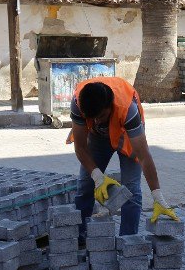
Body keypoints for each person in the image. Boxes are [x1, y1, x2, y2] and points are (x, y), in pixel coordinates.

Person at [69, 77, 178, 237]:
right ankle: (79, 237)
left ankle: (128, 242)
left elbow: (144, 156)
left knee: (131, 190)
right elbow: (80, 148)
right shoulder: (79, 103)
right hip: (97, 138)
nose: (98, 120)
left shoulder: (128, 109)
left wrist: (157, 196)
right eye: (93, 118)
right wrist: (98, 176)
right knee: (85, 185)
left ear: (110, 107)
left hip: (126, 134)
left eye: (101, 116)